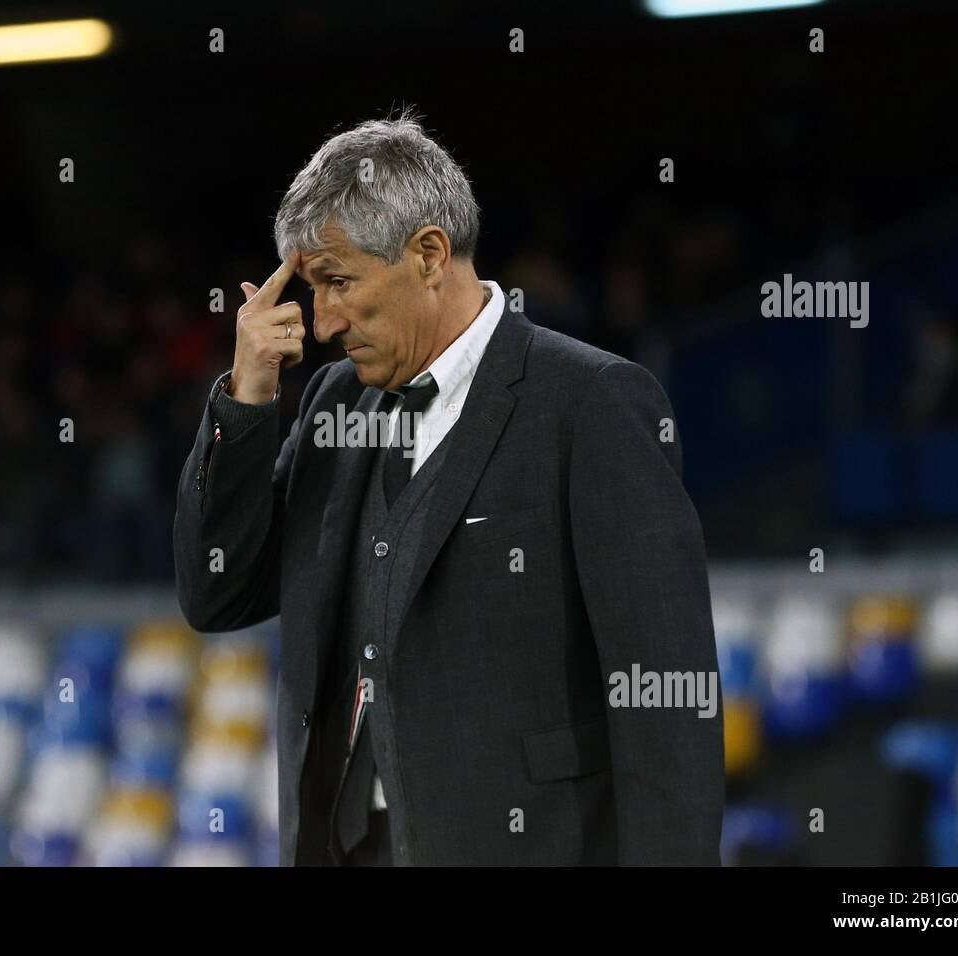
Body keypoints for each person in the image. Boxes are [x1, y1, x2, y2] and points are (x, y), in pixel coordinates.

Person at [174, 108, 723, 865]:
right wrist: (247, 398)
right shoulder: (337, 401)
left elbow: (666, 694)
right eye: (311, 287)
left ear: (429, 253)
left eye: (337, 282)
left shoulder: (590, 401)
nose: (322, 321)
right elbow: (218, 593)